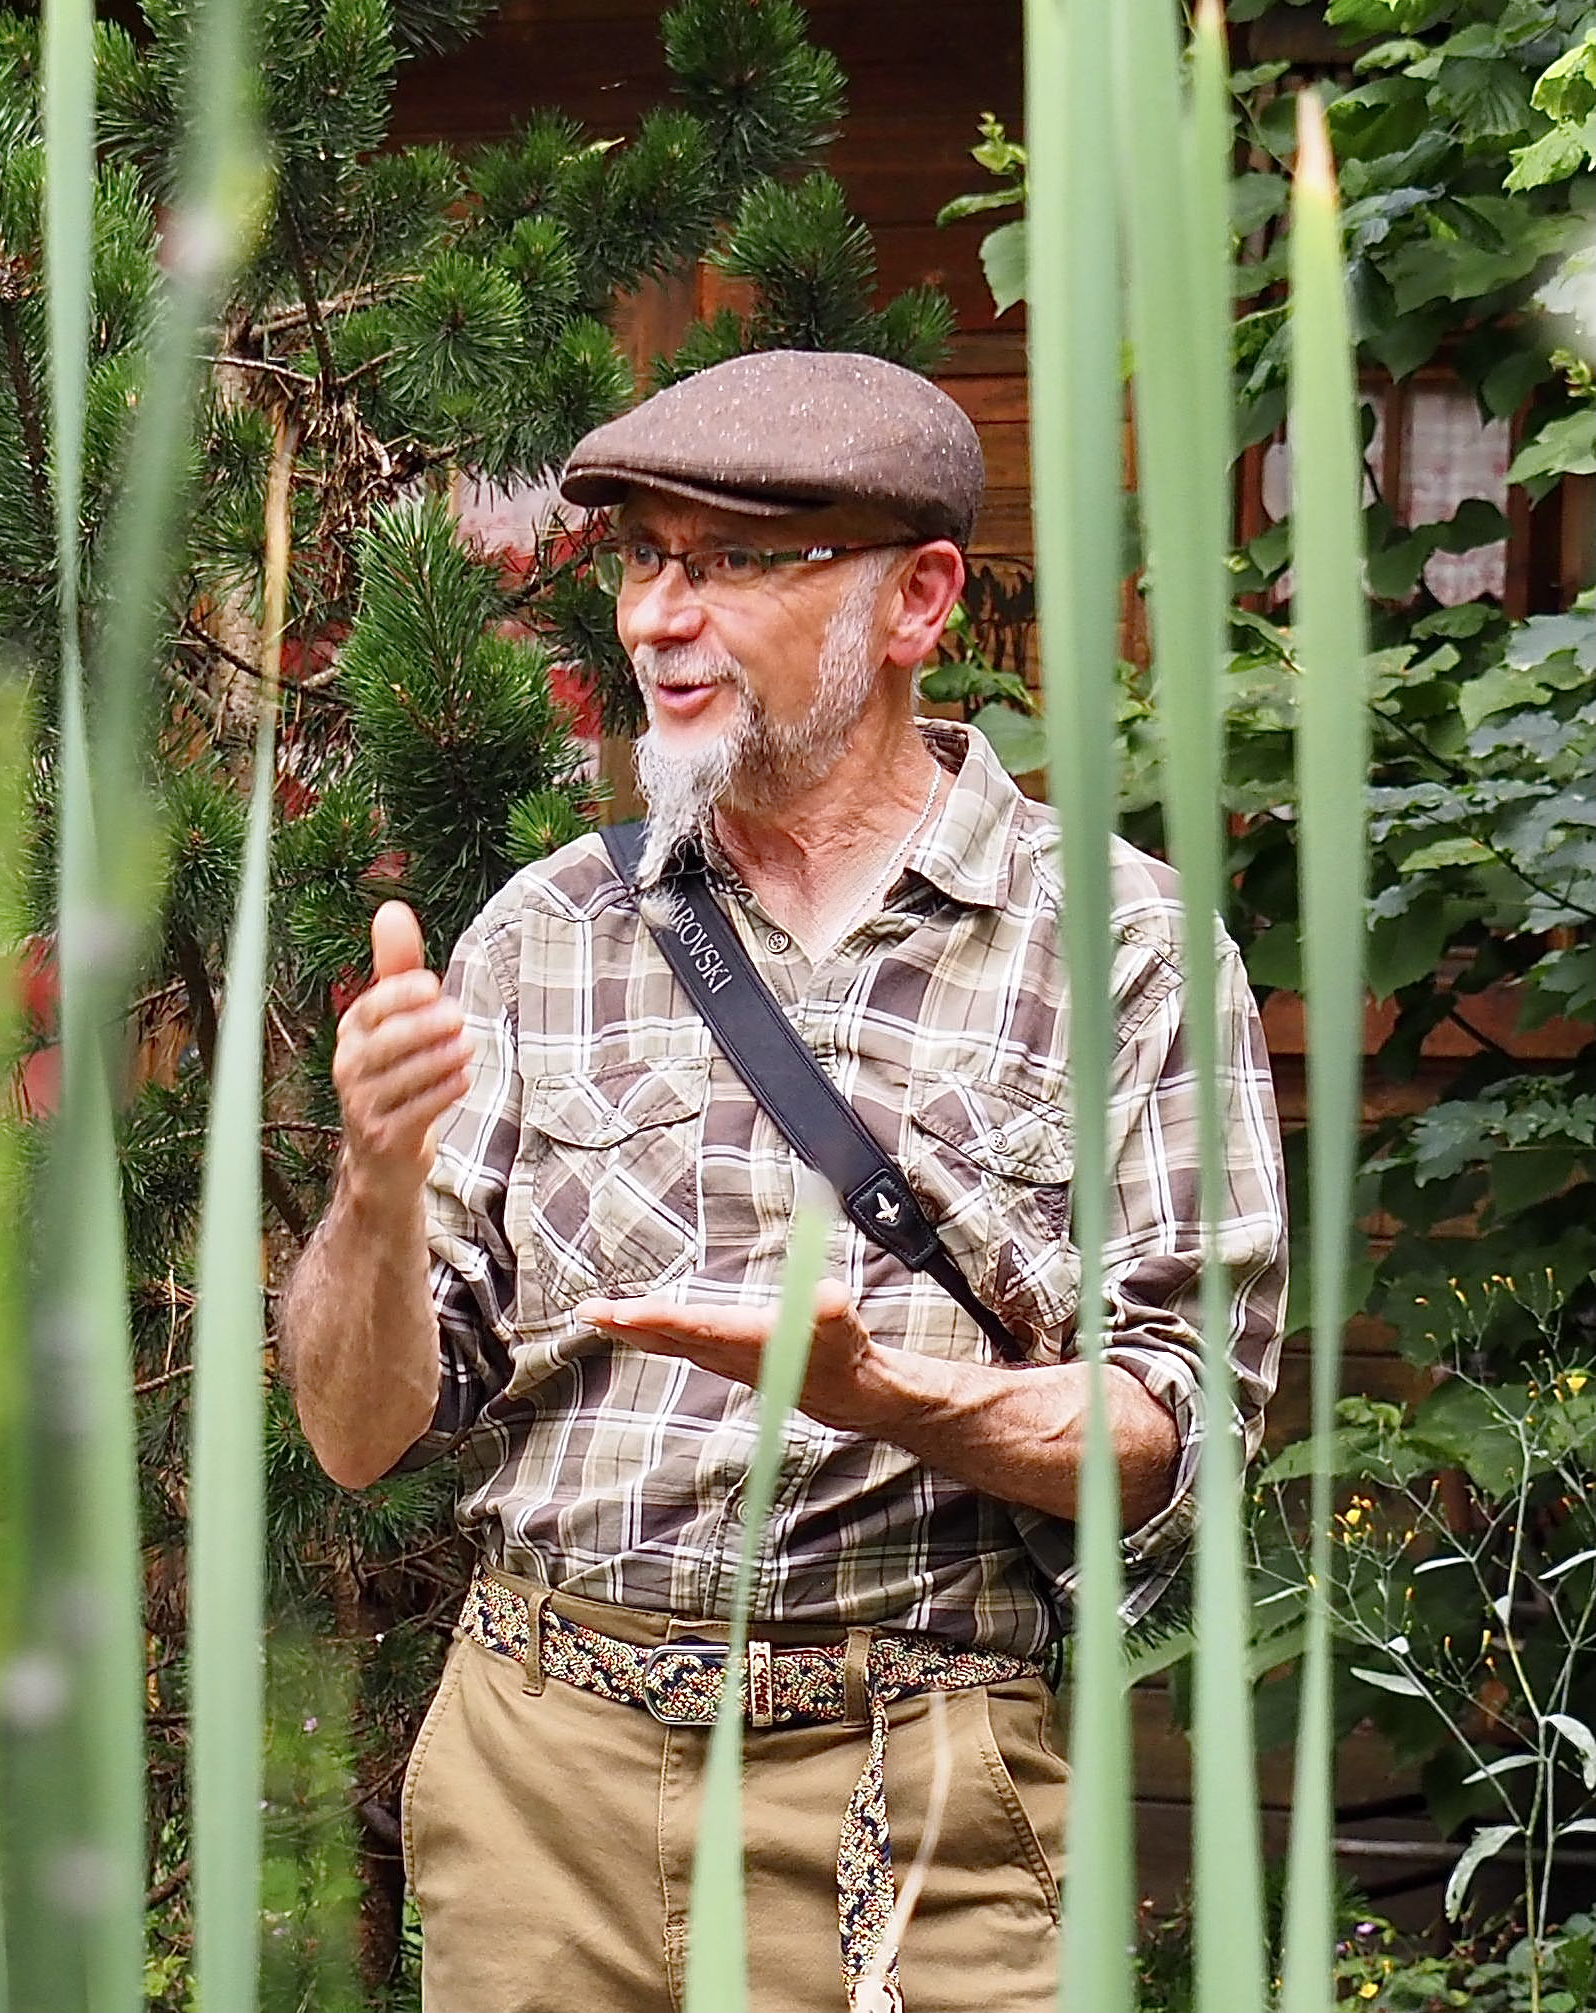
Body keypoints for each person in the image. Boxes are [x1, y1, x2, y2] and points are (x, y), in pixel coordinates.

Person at [277, 349, 1287, 2013]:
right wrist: (374, 1191)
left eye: (736, 561)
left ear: (917, 601)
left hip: (919, 1794)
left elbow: (1184, 1433)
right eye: (644, 560)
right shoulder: (540, 938)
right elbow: (355, 1426)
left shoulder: (1125, 951)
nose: (661, 618)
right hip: (543, 1787)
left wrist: (897, 1396)